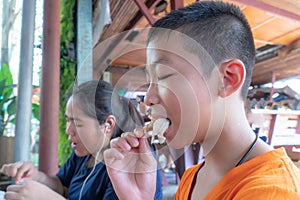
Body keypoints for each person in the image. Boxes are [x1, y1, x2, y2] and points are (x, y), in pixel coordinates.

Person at [104, 1, 300, 200]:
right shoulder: (192, 177)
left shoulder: (272, 191)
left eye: (163, 76)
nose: (148, 98)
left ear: (227, 79)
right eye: (149, 81)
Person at [1, 80, 163, 200]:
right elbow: (63, 187)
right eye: (68, 121)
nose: (68, 130)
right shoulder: (84, 154)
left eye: (77, 123)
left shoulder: (128, 164)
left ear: (108, 124)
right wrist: (37, 176)